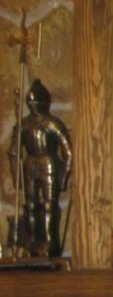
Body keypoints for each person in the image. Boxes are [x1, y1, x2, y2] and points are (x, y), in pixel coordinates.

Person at [8, 79, 72, 257]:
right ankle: (31, 243)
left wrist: (63, 177)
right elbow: (13, 152)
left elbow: (68, 151)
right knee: (30, 205)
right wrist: (17, 177)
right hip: (30, 163)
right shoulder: (24, 125)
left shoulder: (52, 123)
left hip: (48, 162)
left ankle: (50, 243)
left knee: (49, 205)